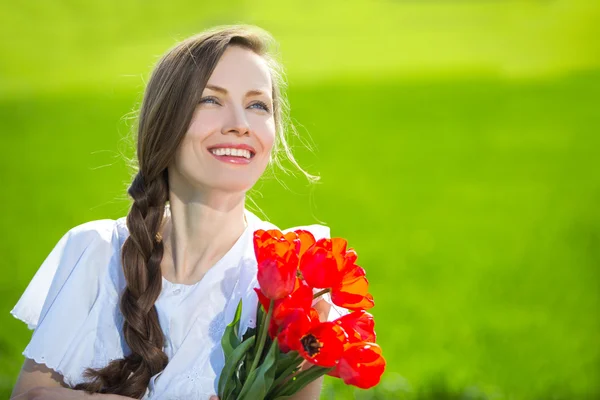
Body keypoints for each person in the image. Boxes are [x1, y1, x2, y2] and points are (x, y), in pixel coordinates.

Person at [9, 25, 347, 399]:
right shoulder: (95, 251)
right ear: (165, 122)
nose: (240, 123)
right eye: (210, 100)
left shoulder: (294, 277)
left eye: (257, 105)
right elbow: (30, 395)